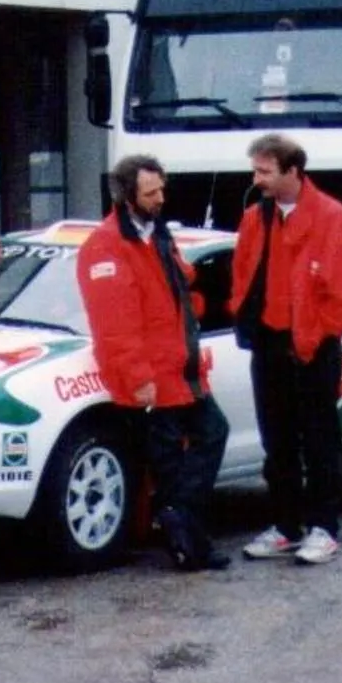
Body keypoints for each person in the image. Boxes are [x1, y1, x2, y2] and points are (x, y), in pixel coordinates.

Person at [78, 155, 231, 572]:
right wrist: (138, 377)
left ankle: (179, 522)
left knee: (210, 436)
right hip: (155, 378)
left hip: (182, 371)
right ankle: (188, 542)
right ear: (127, 196)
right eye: (151, 193)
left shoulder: (157, 235)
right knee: (172, 463)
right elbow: (115, 325)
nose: (161, 198)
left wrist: (195, 309)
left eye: (162, 189)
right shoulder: (106, 247)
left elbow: (179, 292)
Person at [227, 133, 342, 567]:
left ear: (293, 171)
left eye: (265, 172)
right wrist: (244, 314)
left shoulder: (331, 218)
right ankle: (286, 526)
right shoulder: (255, 218)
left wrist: (313, 334)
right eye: (255, 171)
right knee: (278, 439)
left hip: (312, 346)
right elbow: (241, 272)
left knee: (319, 438)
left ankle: (324, 527)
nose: (257, 180)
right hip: (269, 343)